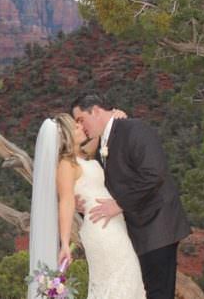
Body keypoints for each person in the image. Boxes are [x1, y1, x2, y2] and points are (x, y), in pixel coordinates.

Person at [71, 93, 191, 299]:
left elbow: (155, 174)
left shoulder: (135, 130)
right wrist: (82, 203)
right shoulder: (99, 144)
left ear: (96, 111)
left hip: (157, 226)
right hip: (134, 232)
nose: (81, 127)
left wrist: (119, 204)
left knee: (158, 293)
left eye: (81, 119)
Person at [29, 111, 146, 299]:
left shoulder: (82, 157)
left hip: (115, 227)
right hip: (102, 231)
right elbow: (66, 201)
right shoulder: (66, 165)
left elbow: (101, 134)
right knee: (120, 281)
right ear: (67, 135)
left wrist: (113, 117)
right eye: (75, 127)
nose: (81, 127)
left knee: (128, 279)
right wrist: (65, 243)